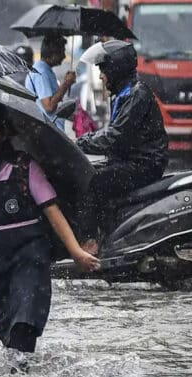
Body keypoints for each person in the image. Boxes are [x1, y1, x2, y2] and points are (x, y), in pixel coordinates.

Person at [0, 102, 99, 370]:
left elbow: (52, 210)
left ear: (3, 134)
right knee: (5, 322)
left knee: (25, 317)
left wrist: (76, 251)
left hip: (29, 253)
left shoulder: (24, 167)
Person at [75, 40, 168, 254]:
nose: (100, 76)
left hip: (144, 164)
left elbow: (115, 136)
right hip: (132, 160)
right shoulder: (126, 93)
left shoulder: (137, 94)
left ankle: (89, 244)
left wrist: (80, 142)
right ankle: (106, 233)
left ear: (116, 69)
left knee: (92, 182)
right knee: (88, 172)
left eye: (103, 70)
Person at [25, 34, 76, 131]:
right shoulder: (42, 72)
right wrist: (66, 83)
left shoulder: (45, 69)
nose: (64, 56)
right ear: (53, 53)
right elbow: (49, 106)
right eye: (62, 52)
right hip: (48, 131)